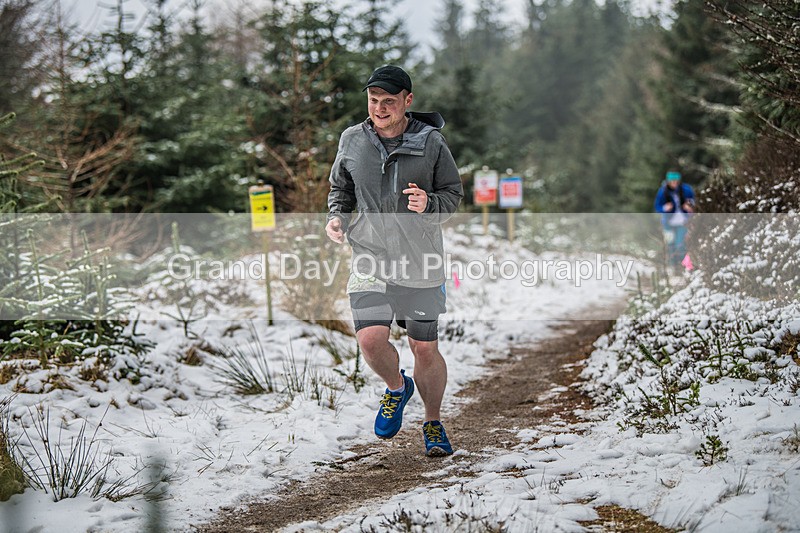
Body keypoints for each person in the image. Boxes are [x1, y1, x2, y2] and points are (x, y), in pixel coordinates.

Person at [325, 65, 463, 457]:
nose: (380, 108)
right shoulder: (352, 139)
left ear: (408, 101)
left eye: (389, 101)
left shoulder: (430, 141)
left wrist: (430, 204)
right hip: (370, 255)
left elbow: (452, 193)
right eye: (373, 101)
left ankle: (433, 423)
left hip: (420, 261)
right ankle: (396, 389)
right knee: (370, 340)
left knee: (424, 348)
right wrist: (337, 218)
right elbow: (341, 190)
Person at [653, 171, 695, 270]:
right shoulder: (663, 192)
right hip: (668, 224)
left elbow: (693, 201)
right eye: (672, 181)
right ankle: (673, 267)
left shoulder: (686, 189)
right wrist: (664, 208)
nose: (674, 183)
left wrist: (689, 206)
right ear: (668, 182)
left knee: (680, 245)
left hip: (683, 222)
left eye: (676, 181)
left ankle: (685, 266)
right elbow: (657, 206)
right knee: (670, 245)